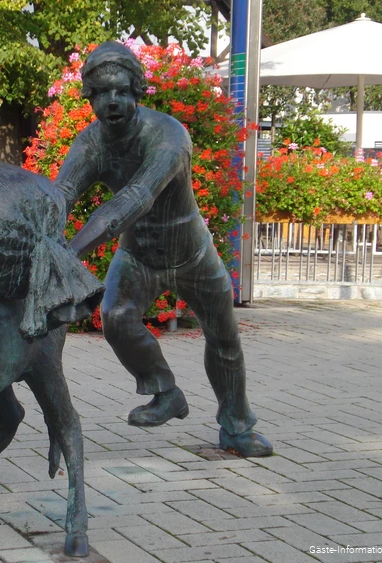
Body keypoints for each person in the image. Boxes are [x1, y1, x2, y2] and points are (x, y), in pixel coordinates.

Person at [54, 41, 272, 457]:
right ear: (90, 97)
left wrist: (67, 254)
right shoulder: (91, 143)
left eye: (121, 90)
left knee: (224, 339)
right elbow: (61, 194)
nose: (112, 101)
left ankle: (236, 427)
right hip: (139, 256)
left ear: (138, 90)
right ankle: (165, 391)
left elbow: (132, 201)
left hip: (192, 255)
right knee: (116, 317)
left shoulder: (169, 135)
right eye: (102, 92)